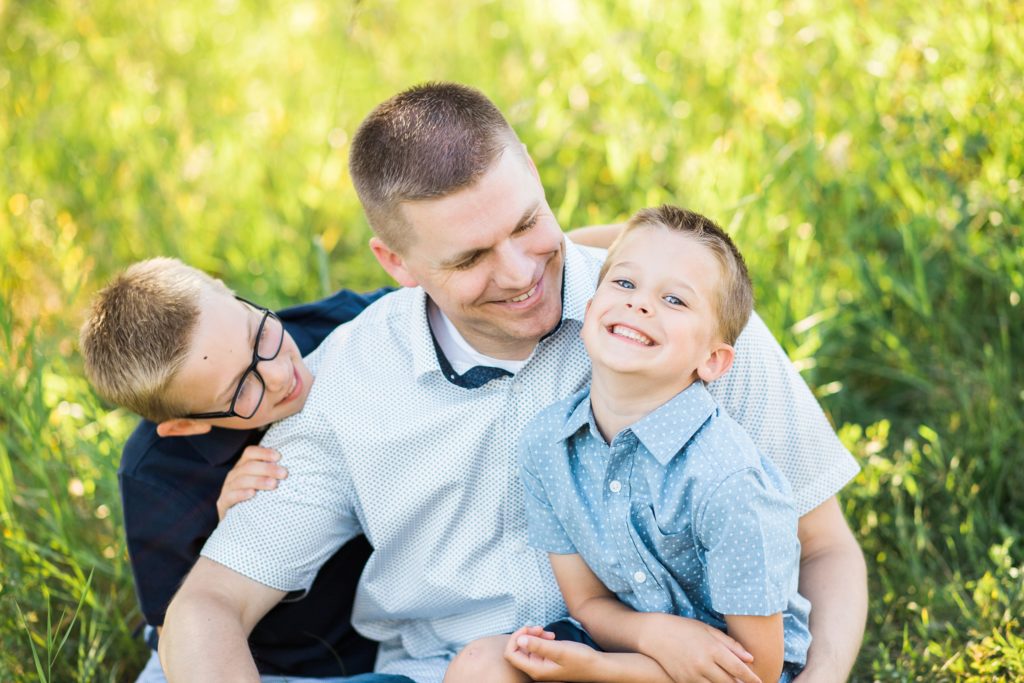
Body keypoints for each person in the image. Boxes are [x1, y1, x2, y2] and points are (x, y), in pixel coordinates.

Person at [159, 82, 866, 683]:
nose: (524, 274)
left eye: (527, 222)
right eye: (471, 258)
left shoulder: (674, 323)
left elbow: (824, 545)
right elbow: (211, 603)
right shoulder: (353, 384)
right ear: (396, 262)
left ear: (531, 170)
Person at [497, 205, 810, 683]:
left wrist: (602, 671)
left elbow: (758, 673)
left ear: (713, 360)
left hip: (730, 671)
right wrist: (651, 637)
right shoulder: (548, 444)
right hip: (621, 645)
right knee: (482, 665)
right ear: (587, 310)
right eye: (624, 284)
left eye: (675, 300)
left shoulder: (728, 481)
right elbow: (587, 602)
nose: (640, 304)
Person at [79, 257, 411, 683]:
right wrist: (228, 533)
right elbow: (176, 633)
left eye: (259, 335)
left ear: (226, 290)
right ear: (186, 425)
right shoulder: (157, 476)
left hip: (380, 635)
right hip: (265, 664)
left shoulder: (341, 326)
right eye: (241, 389)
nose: (278, 374)